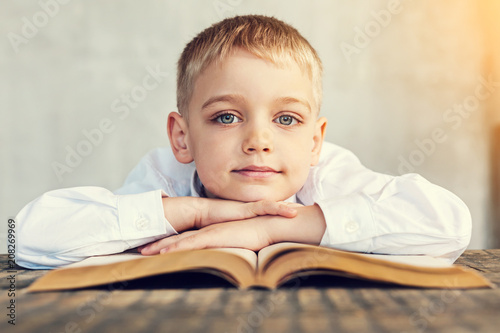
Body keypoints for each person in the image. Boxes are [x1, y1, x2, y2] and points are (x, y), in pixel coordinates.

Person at [15, 15, 471, 269]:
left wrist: (270, 228)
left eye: (287, 118)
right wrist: (195, 211)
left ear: (316, 141)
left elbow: (450, 225)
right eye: (227, 117)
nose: (258, 140)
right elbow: (27, 238)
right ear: (182, 136)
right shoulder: (164, 176)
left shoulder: (328, 172)